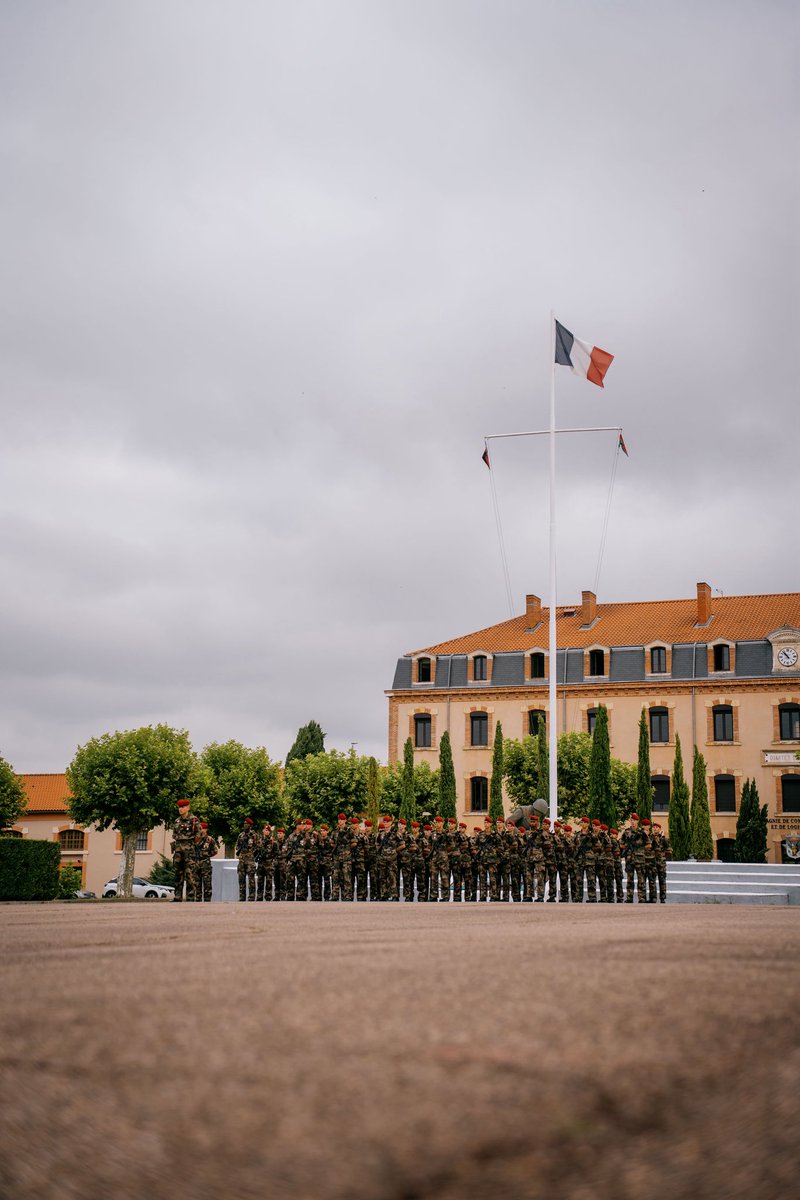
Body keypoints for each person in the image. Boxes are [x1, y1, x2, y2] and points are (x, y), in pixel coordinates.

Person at [171, 799, 201, 902]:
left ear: (188, 807)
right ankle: (177, 896)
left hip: (189, 850)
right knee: (178, 874)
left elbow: (199, 835)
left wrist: (191, 844)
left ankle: (190, 897)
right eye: (179, 807)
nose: (180, 809)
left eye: (183, 807)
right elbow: (175, 835)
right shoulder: (177, 821)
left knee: (190, 874)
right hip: (178, 850)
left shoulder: (194, 820)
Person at [235, 817, 261, 902]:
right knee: (241, 879)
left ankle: (251, 896)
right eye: (244, 824)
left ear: (250, 825)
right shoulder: (241, 835)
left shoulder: (254, 835)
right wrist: (240, 851)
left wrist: (252, 853)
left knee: (251, 879)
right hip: (242, 860)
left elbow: (258, 846)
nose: (245, 825)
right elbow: (237, 846)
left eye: (246, 824)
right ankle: (242, 897)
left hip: (250, 860)